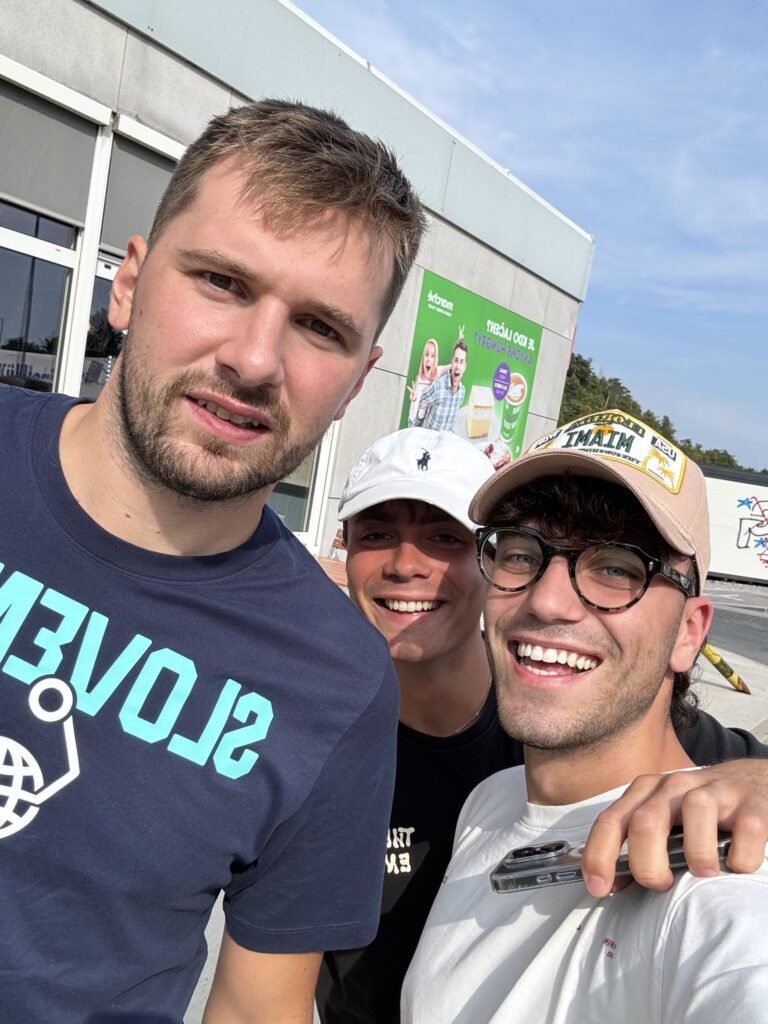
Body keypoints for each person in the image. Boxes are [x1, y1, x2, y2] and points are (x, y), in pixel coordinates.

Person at [0, 98, 426, 1024]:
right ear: (129, 283)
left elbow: (256, 1010)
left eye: (320, 327)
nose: (256, 359)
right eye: (223, 282)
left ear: (358, 379)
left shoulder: (336, 686)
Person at [319, 425, 768, 1024]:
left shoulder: (719, 892)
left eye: (617, 568)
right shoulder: (492, 804)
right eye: (522, 555)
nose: (547, 600)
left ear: (690, 632)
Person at [418, 332, 467, 431]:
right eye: (456, 360)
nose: (458, 366)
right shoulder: (437, 387)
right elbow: (419, 404)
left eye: (461, 362)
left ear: (465, 366)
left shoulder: (461, 393)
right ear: (452, 363)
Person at [406, 339, 439, 426]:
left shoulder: (435, 380)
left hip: (423, 423)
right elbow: (415, 400)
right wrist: (413, 398)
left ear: (435, 360)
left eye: (432, 356)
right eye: (427, 354)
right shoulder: (419, 377)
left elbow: (449, 367)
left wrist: (459, 342)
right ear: (423, 357)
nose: (428, 359)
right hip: (412, 420)